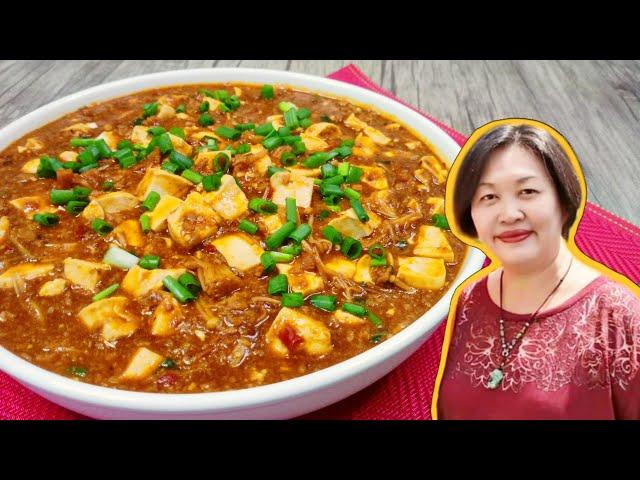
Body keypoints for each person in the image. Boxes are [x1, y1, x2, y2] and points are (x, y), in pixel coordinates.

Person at [433, 121, 640, 419]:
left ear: (564, 202)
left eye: (527, 191)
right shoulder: (470, 298)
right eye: (489, 197)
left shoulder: (618, 315)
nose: (509, 214)